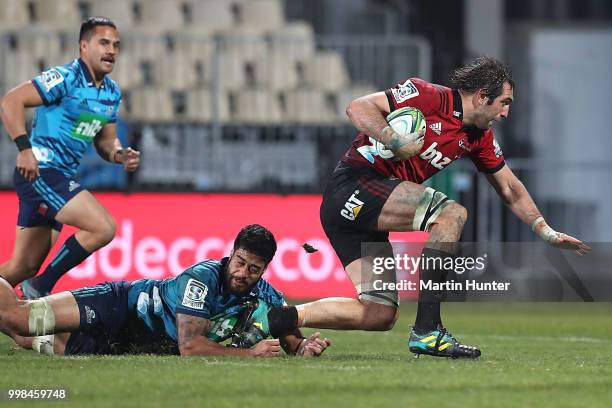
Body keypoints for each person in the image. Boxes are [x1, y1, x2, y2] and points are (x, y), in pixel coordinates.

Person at [266, 56, 589, 358]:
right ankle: (427, 329)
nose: (506, 113)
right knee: (451, 214)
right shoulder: (427, 95)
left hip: (362, 212)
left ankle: (284, 316)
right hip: (354, 185)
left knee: (379, 313)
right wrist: (392, 138)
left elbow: (509, 187)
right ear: (481, 96)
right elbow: (358, 107)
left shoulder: (480, 138)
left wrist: (545, 231)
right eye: (504, 103)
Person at [0, 224, 331, 358]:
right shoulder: (203, 278)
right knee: (21, 318)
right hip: (119, 306)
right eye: (240, 262)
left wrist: (303, 348)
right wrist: (248, 354)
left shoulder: (269, 297)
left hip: (123, 344)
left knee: (22, 337)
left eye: (253, 269)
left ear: (265, 269)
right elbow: (189, 346)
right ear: (231, 254)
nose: (243, 273)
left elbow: (290, 340)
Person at [0, 17, 140, 299]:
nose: (111, 50)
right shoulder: (65, 78)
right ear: (84, 46)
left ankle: (31, 282)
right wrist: (24, 149)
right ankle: (40, 287)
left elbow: (104, 141)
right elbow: (11, 101)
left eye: (116, 45)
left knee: (22, 266)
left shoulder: (111, 93)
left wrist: (118, 154)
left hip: (58, 177)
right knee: (103, 227)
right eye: (104, 43)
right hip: (40, 171)